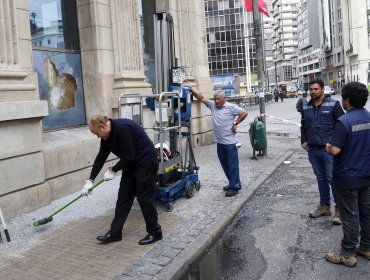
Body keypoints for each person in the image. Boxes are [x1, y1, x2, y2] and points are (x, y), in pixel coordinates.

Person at [81, 115, 162, 245]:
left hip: (145, 163)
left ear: (102, 126)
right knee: (123, 198)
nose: (97, 136)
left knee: (144, 198)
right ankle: (115, 233)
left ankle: (155, 232)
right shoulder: (106, 137)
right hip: (130, 165)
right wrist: (90, 180)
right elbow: (101, 157)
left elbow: (130, 155)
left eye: (97, 133)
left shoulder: (123, 129)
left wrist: (113, 169)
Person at [325, 82, 370, 267]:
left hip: (347, 177)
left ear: (347, 101)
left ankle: (347, 254)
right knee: (367, 213)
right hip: (367, 174)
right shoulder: (369, 117)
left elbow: (335, 150)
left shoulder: (344, 121)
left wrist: (328, 147)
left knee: (350, 215)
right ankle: (366, 248)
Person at [301, 79, 345, 224]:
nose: (313, 92)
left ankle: (340, 210)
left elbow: (342, 125)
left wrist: (336, 145)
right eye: (311, 89)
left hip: (329, 151)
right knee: (321, 179)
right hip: (313, 150)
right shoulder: (306, 107)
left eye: (316, 89)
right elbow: (303, 126)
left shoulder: (333, 104)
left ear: (322, 90)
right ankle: (324, 207)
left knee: (333, 179)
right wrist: (304, 141)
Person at [189, 88, 248, 197]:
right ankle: (232, 183)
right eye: (215, 99)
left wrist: (235, 123)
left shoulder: (231, 107)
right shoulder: (212, 106)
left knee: (233, 166)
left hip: (230, 143)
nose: (216, 101)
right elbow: (201, 98)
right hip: (220, 143)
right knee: (225, 165)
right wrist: (192, 91)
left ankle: (235, 187)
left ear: (224, 99)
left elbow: (244, 113)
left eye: (218, 99)